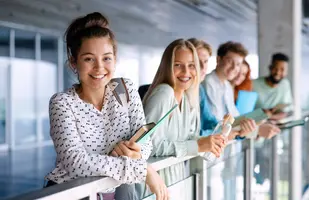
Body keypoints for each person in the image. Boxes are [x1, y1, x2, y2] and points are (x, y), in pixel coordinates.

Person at [44, 12, 168, 200]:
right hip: (72, 194)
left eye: (106, 58)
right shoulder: (62, 103)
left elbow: (145, 140)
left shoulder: (124, 89)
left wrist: (135, 153)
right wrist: (142, 169)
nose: (99, 67)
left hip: (113, 192)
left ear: (115, 59)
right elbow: (75, 162)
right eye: (88, 59)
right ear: (73, 63)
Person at [142, 39, 227, 190]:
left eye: (191, 66)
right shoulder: (164, 93)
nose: (186, 72)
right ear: (167, 67)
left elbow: (187, 139)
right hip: (153, 187)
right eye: (178, 65)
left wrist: (208, 141)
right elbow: (149, 146)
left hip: (175, 181)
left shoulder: (187, 98)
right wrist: (197, 145)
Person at [200, 41, 257, 139]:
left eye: (238, 64)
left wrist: (244, 129)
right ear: (218, 60)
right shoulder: (207, 83)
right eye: (230, 62)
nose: (234, 68)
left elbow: (234, 117)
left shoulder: (227, 86)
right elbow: (213, 122)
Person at [187, 38, 218, 136]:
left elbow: (210, 121)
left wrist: (227, 129)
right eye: (197, 61)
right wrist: (219, 133)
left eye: (205, 61)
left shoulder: (199, 89)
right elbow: (190, 135)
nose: (203, 67)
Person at [253, 53, 293, 121]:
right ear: (270, 67)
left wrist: (269, 116)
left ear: (286, 72)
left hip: (279, 128)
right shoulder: (253, 84)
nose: (278, 72)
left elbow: (286, 111)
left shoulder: (285, 84)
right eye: (275, 68)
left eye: (282, 69)